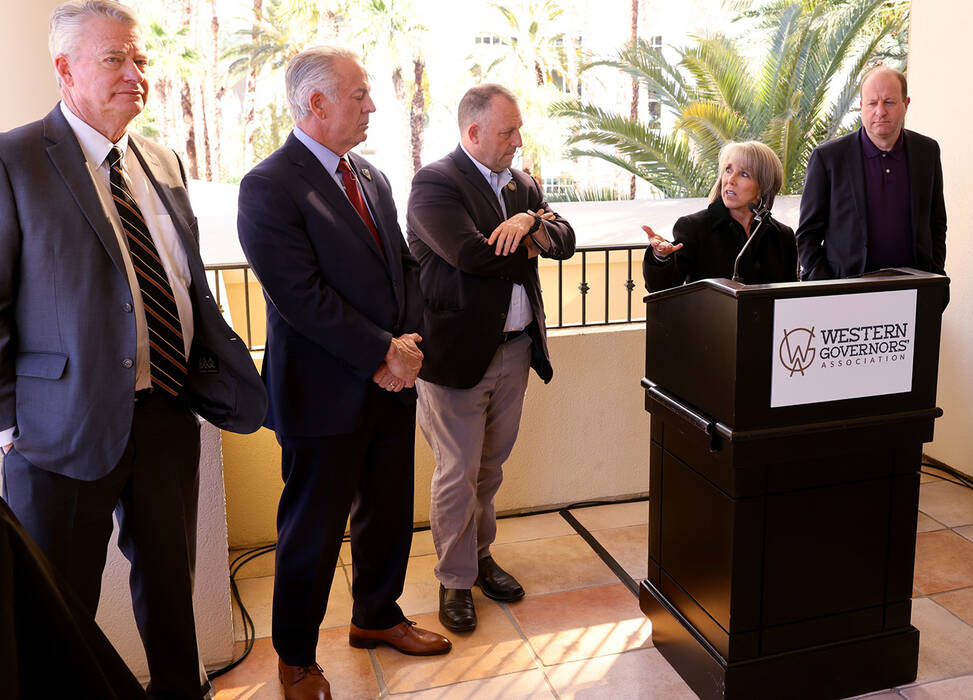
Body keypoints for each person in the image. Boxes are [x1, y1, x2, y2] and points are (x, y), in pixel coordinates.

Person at [0, 2, 267, 698]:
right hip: (58, 434)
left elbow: (184, 280)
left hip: (166, 418)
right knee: (55, 609)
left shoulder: (163, 159)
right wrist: (10, 424)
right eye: (114, 58)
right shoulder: (14, 159)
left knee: (172, 596)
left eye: (140, 58)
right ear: (65, 69)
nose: (135, 73)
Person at [237, 46, 450, 699]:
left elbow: (405, 269)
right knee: (314, 530)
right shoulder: (268, 186)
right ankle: (297, 658)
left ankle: (376, 617)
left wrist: (407, 345)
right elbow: (300, 297)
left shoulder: (372, 176)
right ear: (316, 103)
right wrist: (382, 353)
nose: (372, 105)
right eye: (358, 94)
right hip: (320, 395)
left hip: (390, 384)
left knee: (388, 514)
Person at [406, 83, 576, 633]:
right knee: (457, 473)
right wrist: (535, 236)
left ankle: (480, 559)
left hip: (516, 351)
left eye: (519, 128)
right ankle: (454, 581)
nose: (518, 141)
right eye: (507, 131)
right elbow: (474, 255)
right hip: (456, 358)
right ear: (473, 132)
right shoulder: (435, 182)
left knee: (489, 469)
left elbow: (567, 238)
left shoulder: (522, 185)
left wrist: (529, 222)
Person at [795, 65, 947, 281]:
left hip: (913, 291)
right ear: (861, 106)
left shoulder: (927, 152)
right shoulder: (828, 158)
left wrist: (935, 275)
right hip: (846, 294)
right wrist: (825, 287)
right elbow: (807, 234)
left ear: (906, 104)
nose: (880, 111)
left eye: (889, 102)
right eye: (872, 103)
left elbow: (937, 223)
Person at [642, 140, 796, 291]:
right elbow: (661, 288)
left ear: (763, 185)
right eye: (728, 170)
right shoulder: (694, 227)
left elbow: (789, 297)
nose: (731, 180)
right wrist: (660, 257)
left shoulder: (783, 236)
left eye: (744, 174)